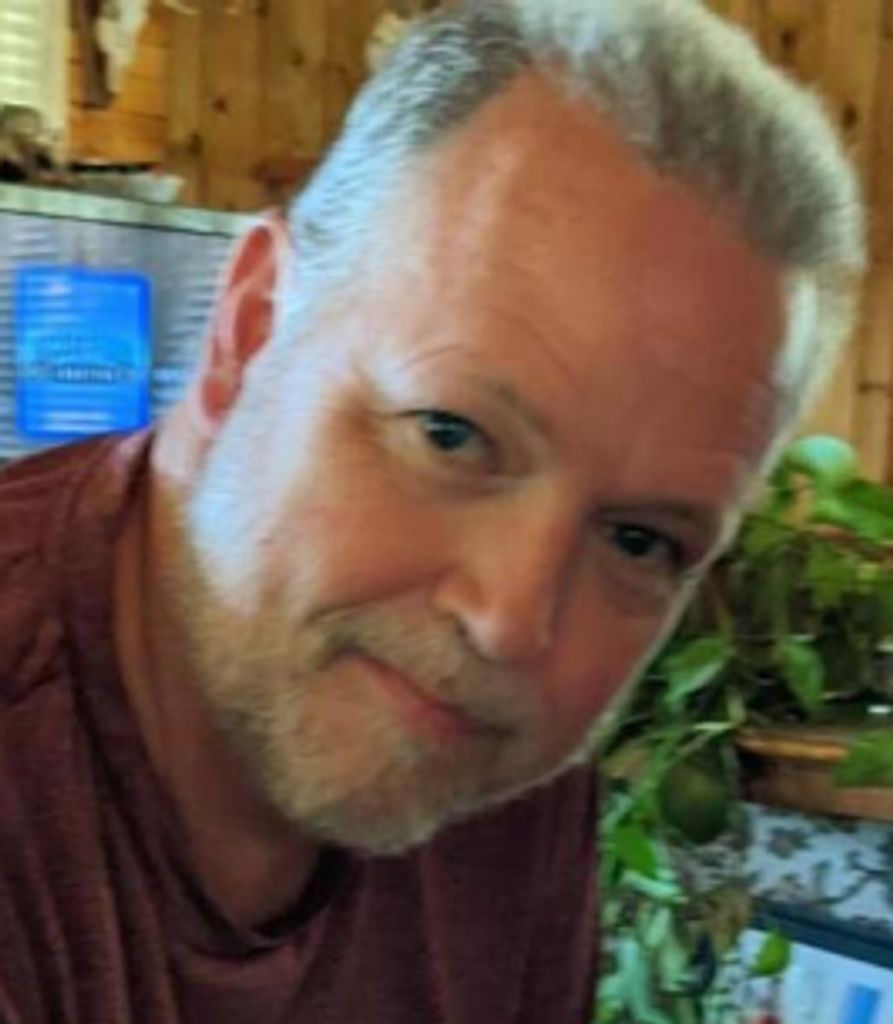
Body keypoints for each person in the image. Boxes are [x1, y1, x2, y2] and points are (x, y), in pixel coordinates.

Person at [0, 0, 865, 1021]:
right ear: (251, 327)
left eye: (638, 541)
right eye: (450, 435)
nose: (512, 620)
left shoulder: (475, 748)